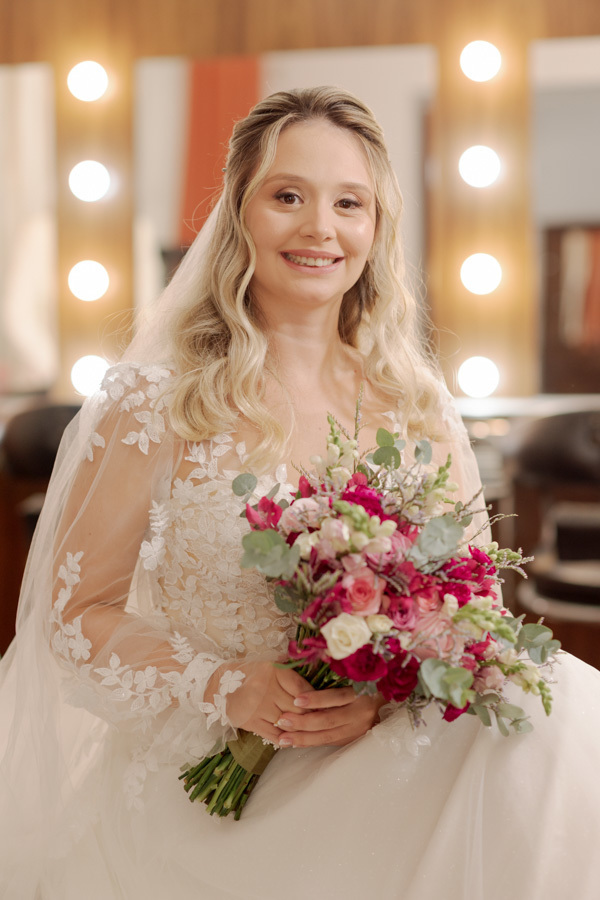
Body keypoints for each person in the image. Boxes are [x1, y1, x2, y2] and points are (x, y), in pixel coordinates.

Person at [1, 86, 599, 900]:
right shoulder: (156, 402)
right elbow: (76, 619)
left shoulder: (416, 403)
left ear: (376, 226)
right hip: (217, 770)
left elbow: (473, 616)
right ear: (238, 215)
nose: (321, 228)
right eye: (289, 196)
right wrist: (226, 685)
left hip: (384, 745)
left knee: (558, 712)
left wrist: (382, 701)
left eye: (349, 203)